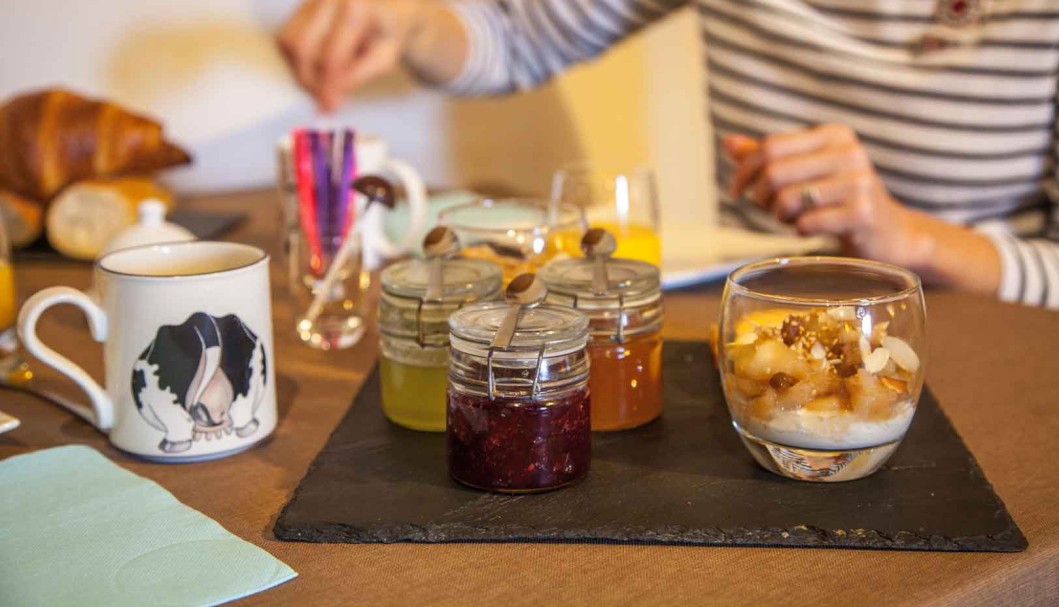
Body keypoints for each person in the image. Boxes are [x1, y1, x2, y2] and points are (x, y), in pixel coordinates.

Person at [277, 0, 1059, 309]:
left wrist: (911, 241)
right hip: (747, 308)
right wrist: (411, 21)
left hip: (982, 334)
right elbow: (513, 40)